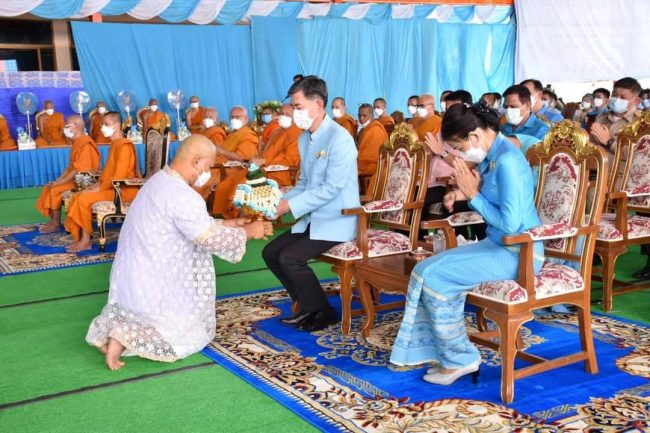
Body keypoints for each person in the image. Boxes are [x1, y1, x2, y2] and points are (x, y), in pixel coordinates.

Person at [85, 135, 272, 370]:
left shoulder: (159, 181)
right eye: (209, 165)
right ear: (197, 161)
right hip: (155, 280)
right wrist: (250, 232)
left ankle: (119, 336)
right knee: (185, 334)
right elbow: (209, 238)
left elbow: (195, 223)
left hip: (134, 275)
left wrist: (235, 224)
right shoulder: (181, 194)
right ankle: (124, 337)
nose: (209, 173)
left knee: (148, 314)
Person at [390, 101, 544, 385]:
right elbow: (493, 196)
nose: (461, 154)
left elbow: (510, 224)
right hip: (497, 244)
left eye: (459, 148)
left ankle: (461, 359)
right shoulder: (492, 154)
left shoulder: (508, 161)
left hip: (519, 252)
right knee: (425, 269)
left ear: (474, 136)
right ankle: (449, 354)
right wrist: (462, 195)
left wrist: (472, 195)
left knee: (435, 277)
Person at [262, 76, 360, 332]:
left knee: (290, 258)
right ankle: (306, 304)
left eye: (298, 107)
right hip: (313, 217)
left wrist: (290, 208)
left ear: (318, 104)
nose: (294, 113)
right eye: (293, 107)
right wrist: (279, 202)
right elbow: (305, 182)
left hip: (338, 218)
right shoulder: (305, 138)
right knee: (270, 253)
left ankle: (322, 312)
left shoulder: (340, 138)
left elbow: (332, 188)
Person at [64, 112, 139, 252]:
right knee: (79, 195)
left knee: (83, 198)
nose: (103, 127)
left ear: (117, 125)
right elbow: (107, 175)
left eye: (106, 124)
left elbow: (118, 178)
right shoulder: (115, 144)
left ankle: (86, 241)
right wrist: (95, 186)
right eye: (102, 124)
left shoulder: (124, 146)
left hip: (123, 191)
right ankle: (80, 238)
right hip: (111, 187)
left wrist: (97, 189)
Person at [214, 104, 302, 217]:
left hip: (277, 173)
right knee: (229, 183)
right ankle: (228, 216)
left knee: (241, 187)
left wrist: (264, 162)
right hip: (261, 168)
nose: (283, 116)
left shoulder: (297, 133)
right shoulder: (277, 132)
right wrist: (258, 160)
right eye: (281, 114)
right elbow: (265, 153)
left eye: (287, 114)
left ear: (295, 117)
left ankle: (241, 218)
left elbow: (290, 160)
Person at [36, 115, 100, 233]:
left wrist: (59, 183)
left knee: (55, 189)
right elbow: (70, 167)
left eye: (67, 126)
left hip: (84, 180)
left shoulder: (86, 144)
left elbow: (78, 169)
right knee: (50, 186)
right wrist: (58, 180)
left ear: (75, 127)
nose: (64, 129)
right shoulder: (77, 142)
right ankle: (53, 220)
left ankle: (55, 223)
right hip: (75, 177)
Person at [211, 106, 259, 217]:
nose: (234, 119)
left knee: (205, 182)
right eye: (232, 117)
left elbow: (243, 159)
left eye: (237, 117)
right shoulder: (231, 135)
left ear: (246, 118)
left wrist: (219, 150)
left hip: (235, 170)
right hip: (219, 166)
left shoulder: (248, 135)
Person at [356, 103, 389, 184]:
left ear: (372, 116)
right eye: (359, 115)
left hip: (376, 165)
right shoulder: (364, 129)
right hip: (364, 161)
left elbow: (372, 156)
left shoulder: (375, 129)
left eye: (364, 116)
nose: (361, 118)